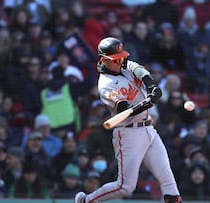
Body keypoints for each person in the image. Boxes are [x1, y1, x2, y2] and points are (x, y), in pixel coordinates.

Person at [74, 37, 182, 203]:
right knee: (125, 186)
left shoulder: (124, 64)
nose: (120, 61)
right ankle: (86, 200)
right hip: (129, 134)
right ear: (104, 60)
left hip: (148, 129)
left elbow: (140, 71)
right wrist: (148, 103)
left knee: (169, 182)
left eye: (121, 57)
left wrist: (152, 86)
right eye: (115, 60)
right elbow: (125, 110)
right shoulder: (106, 85)